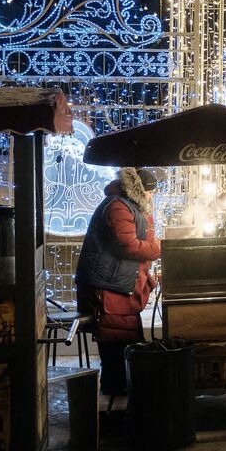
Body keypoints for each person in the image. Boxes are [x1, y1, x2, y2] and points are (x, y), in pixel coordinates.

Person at [75, 167, 162, 405]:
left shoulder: (127, 205)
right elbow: (129, 245)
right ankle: (115, 387)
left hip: (116, 282)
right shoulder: (118, 206)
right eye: (151, 192)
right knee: (114, 335)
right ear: (141, 190)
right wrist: (159, 248)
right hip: (107, 284)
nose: (152, 197)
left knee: (125, 334)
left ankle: (124, 384)